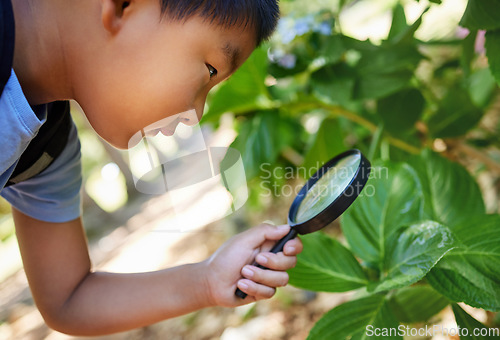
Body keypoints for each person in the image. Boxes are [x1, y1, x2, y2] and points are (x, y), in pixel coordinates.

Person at [0, 0, 303, 336]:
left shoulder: (44, 150)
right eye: (210, 70)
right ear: (124, 5)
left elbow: (68, 298)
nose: (196, 113)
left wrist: (207, 280)